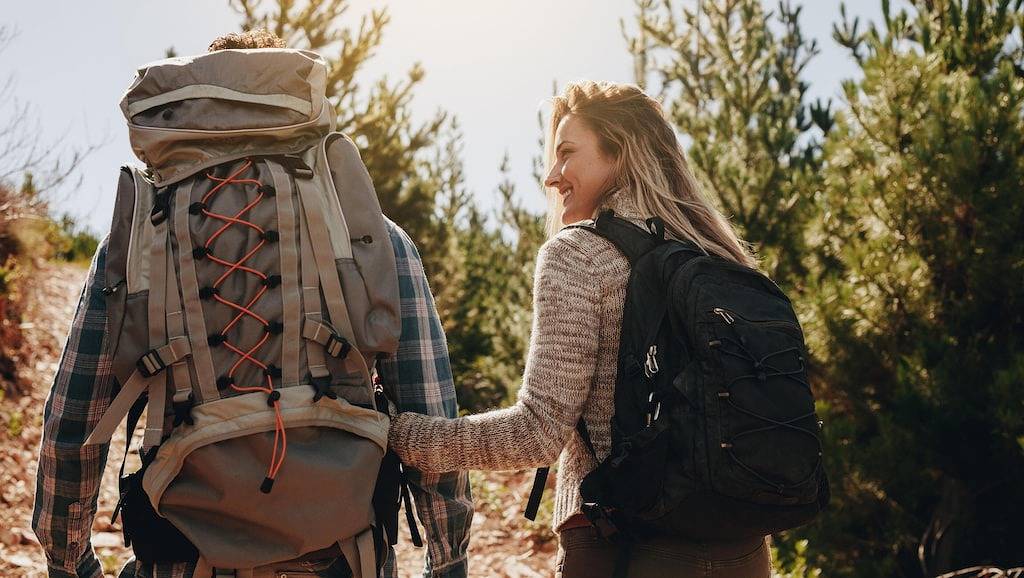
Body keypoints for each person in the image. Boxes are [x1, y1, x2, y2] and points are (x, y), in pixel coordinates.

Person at [32, 30, 472, 578]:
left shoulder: (139, 245)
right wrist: (448, 555)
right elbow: (432, 414)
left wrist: (68, 558)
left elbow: (72, 423)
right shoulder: (369, 237)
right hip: (342, 561)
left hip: (184, 562)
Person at [388, 80, 771, 577]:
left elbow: (537, 433)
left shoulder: (577, 255)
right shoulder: (719, 254)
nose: (552, 176)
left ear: (620, 154)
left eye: (567, 153)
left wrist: (405, 434)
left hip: (624, 542)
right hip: (742, 543)